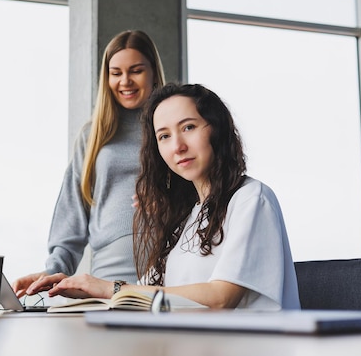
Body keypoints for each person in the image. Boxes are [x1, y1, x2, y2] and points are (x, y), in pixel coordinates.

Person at [25, 83, 301, 310]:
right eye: (164, 136)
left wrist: (110, 288)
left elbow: (221, 298)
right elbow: (145, 295)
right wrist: (75, 287)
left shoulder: (252, 199)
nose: (178, 146)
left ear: (217, 128)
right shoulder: (189, 216)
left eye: (189, 127)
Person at [12, 30, 166, 299]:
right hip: (106, 280)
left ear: (153, 72)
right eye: (115, 72)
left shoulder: (172, 131)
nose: (125, 81)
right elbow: (72, 214)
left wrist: (168, 202)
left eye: (136, 70)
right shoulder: (93, 136)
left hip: (168, 273)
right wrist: (53, 270)